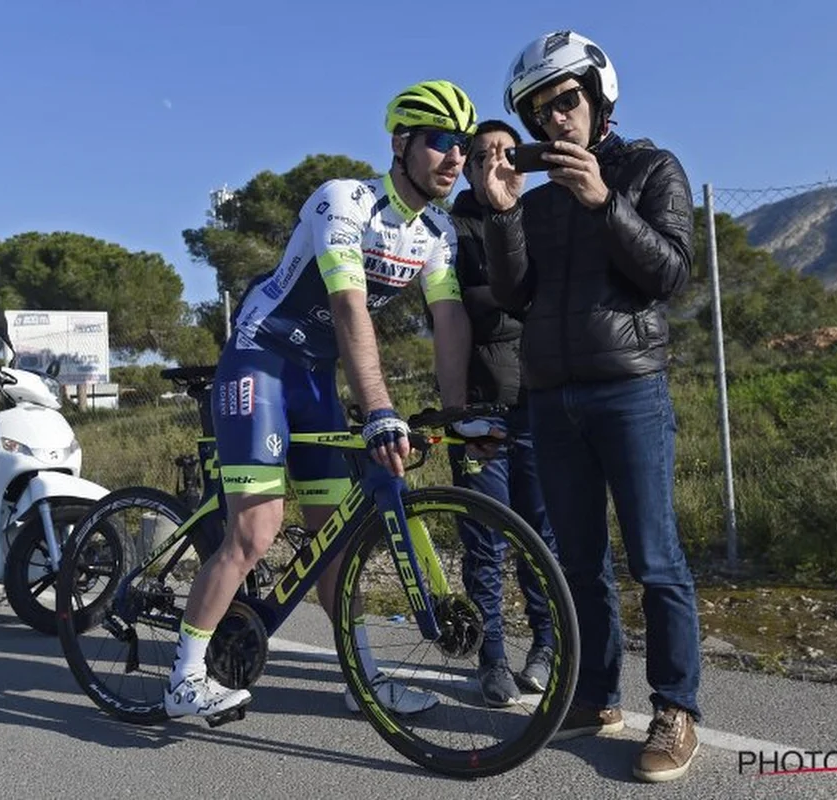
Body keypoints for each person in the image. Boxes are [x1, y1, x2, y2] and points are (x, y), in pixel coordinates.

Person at [163, 80, 478, 722]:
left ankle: (361, 679)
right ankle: (184, 678)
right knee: (257, 529)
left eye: (464, 146)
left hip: (313, 377)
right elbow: (346, 303)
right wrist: (381, 407)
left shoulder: (437, 234)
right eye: (441, 141)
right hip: (262, 358)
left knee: (333, 544)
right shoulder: (345, 201)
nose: (455, 157)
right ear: (401, 143)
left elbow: (448, 323)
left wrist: (458, 413)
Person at [479, 31, 703, 782]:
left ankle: (675, 707)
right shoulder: (536, 204)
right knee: (577, 558)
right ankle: (595, 694)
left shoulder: (651, 169)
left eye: (566, 100)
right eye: (541, 111)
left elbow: (668, 273)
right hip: (550, 395)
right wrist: (504, 213)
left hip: (629, 387)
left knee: (655, 556)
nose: (555, 120)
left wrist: (605, 202)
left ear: (598, 95)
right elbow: (513, 297)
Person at [435, 118, 562, 708]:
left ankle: (545, 647)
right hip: (481, 409)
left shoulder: (536, 217)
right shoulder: (451, 226)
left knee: (543, 536)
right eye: (481, 152)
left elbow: (543, 299)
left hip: (538, 402)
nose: (493, 162)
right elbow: (463, 311)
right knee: (485, 543)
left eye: (505, 152)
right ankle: (491, 660)